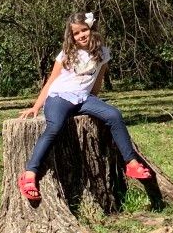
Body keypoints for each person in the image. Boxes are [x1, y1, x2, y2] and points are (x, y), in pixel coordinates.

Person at [16, 11, 152, 202]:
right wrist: (36, 106)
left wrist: (94, 102)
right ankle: (30, 174)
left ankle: (131, 163)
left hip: (84, 99)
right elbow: (51, 81)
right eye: (76, 33)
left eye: (84, 30)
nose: (81, 35)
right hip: (60, 97)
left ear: (91, 29)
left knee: (114, 115)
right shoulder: (66, 54)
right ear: (71, 36)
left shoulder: (103, 53)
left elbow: (97, 81)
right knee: (55, 127)